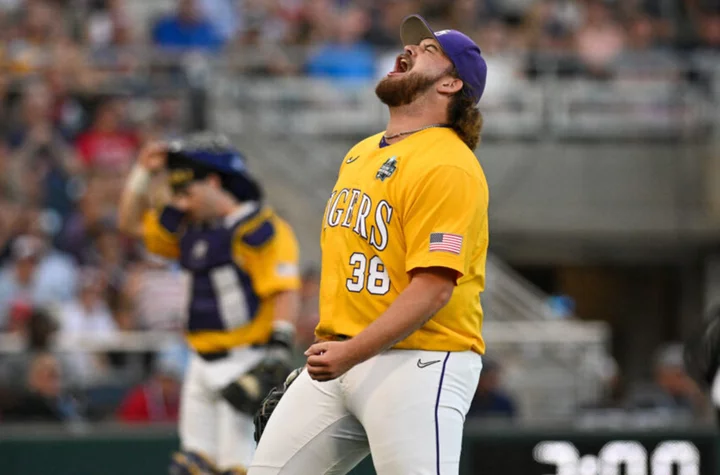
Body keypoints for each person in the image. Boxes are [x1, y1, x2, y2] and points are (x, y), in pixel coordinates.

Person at [250, 14, 488, 475]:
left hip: (420, 361)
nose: (411, 49)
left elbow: (434, 287)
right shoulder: (362, 151)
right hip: (340, 360)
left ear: (451, 84)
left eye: (429, 50)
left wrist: (351, 351)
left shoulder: (449, 165)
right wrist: (336, 347)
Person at [117, 133, 301, 475]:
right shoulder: (192, 230)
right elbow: (129, 224)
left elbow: (284, 290)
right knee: (192, 466)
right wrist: (143, 172)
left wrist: (278, 349)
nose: (181, 203)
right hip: (199, 362)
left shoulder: (259, 229)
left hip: (246, 359)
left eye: (187, 192)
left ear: (214, 181)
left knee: (241, 466)